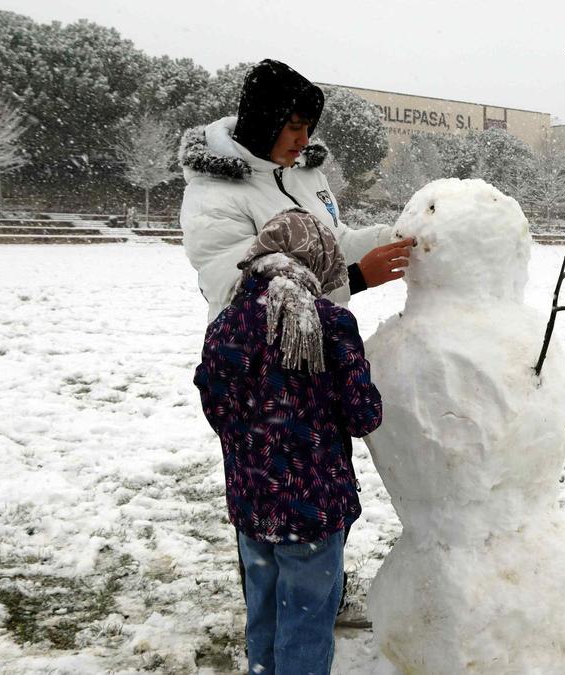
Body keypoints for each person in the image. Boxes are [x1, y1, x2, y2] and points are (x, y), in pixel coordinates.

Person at [194, 210, 383, 675]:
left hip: (250, 501)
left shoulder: (226, 323)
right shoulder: (328, 322)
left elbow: (216, 406)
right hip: (312, 508)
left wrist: (257, 437)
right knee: (306, 619)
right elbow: (363, 415)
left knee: (264, 611)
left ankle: (262, 668)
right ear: (317, 258)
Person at [179, 59, 412, 324]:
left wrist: (393, 238)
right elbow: (244, 296)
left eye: (308, 127)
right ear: (264, 124)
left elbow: (334, 245)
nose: (305, 141)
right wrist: (357, 278)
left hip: (324, 344)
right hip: (256, 358)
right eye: (294, 127)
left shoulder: (307, 175)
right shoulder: (213, 195)